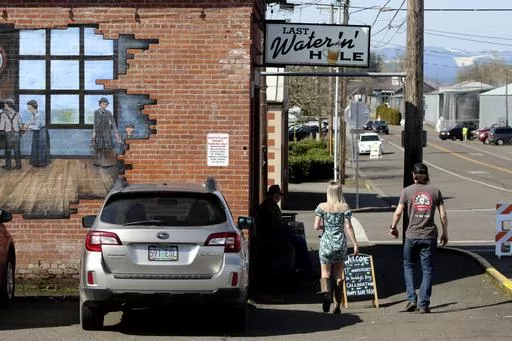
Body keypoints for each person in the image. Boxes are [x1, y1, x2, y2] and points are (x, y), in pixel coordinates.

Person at [389, 162, 448, 314]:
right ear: (426, 175)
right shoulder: (435, 191)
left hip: (411, 236)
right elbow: (443, 214)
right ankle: (423, 304)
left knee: (408, 266)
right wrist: (445, 232)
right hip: (429, 236)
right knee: (427, 270)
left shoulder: (407, 191)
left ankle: (411, 299)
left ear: (413, 175)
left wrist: (393, 227)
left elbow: (398, 212)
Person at [314, 181, 359, 314]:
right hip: (340, 243)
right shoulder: (345, 207)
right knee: (339, 274)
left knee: (325, 273)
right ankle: (337, 304)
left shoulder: (321, 207)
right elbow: (348, 226)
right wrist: (355, 244)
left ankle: (326, 294)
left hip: (326, 243)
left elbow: (316, 227)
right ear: (340, 192)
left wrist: (325, 226)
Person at [255, 184, 314, 279]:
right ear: (273, 195)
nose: (279, 198)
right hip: (274, 235)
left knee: (299, 239)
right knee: (300, 241)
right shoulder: (268, 207)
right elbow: (274, 224)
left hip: (277, 233)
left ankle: (302, 267)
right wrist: (287, 227)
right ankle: (307, 270)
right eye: (277, 195)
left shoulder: (271, 205)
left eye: (279, 196)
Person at [91, 97, 120, 167]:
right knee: (99, 146)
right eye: (103, 104)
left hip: (107, 133)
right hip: (99, 133)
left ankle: (108, 163)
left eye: (106, 104)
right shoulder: (96, 112)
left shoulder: (108, 113)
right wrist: (94, 132)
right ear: (100, 104)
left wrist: (116, 133)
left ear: (107, 105)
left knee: (108, 147)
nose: (104, 105)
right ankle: (98, 162)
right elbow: (95, 123)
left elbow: (113, 123)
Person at [26, 99, 51, 167]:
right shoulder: (33, 114)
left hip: (41, 133)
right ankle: (37, 163)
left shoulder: (37, 115)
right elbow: (33, 123)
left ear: (33, 107)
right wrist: (29, 124)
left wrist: (29, 127)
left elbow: (37, 127)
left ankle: (41, 163)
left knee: (41, 147)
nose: (28, 108)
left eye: (29, 106)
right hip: (37, 132)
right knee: (36, 147)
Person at [0, 98, 23, 170]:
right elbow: (21, 125)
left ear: (7, 105)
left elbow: (1, 127)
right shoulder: (17, 114)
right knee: (17, 150)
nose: (4, 106)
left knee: (8, 150)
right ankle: (18, 165)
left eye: (5, 105)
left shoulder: (3, 114)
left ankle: (8, 166)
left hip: (8, 134)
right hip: (16, 134)